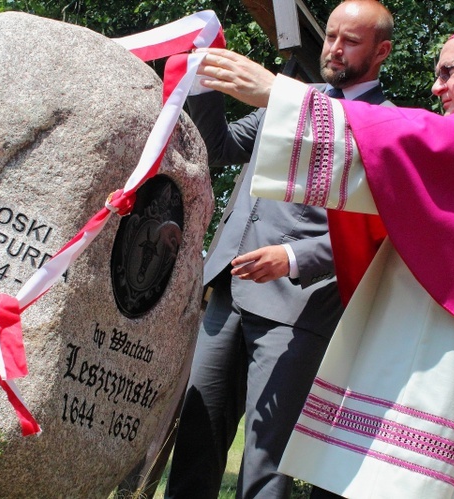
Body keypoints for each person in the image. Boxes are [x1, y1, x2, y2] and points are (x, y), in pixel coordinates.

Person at [192, 19, 454, 499]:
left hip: (442, 358)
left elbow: (407, 139)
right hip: (403, 340)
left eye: (447, 72)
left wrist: (282, 95)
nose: (437, 86)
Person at [165, 1, 394, 498]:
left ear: (382, 52)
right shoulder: (296, 97)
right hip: (227, 287)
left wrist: (293, 258)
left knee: (266, 461)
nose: (333, 48)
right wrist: (205, 82)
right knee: (196, 438)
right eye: (331, 36)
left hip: (298, 306)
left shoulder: (387, 126)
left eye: (350, 41)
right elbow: (219, 148)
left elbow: (382, 229)